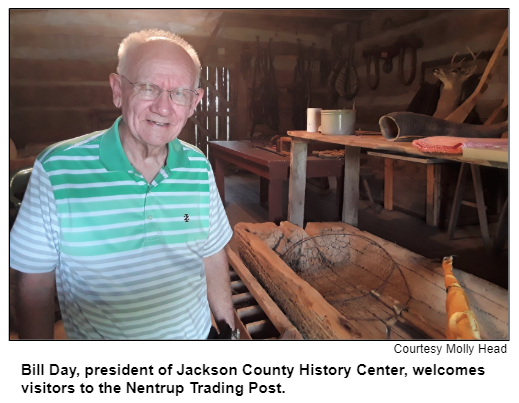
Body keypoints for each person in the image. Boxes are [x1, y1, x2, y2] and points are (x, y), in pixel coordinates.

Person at [9, 29, 236, 339]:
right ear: (117, 90)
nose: (164, 107)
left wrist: (229, 334)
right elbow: (34, 285)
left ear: (194, 102)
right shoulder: (57, 170)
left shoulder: (197, 167)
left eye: (179, 93)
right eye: (148, 88)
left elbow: (211, 254)